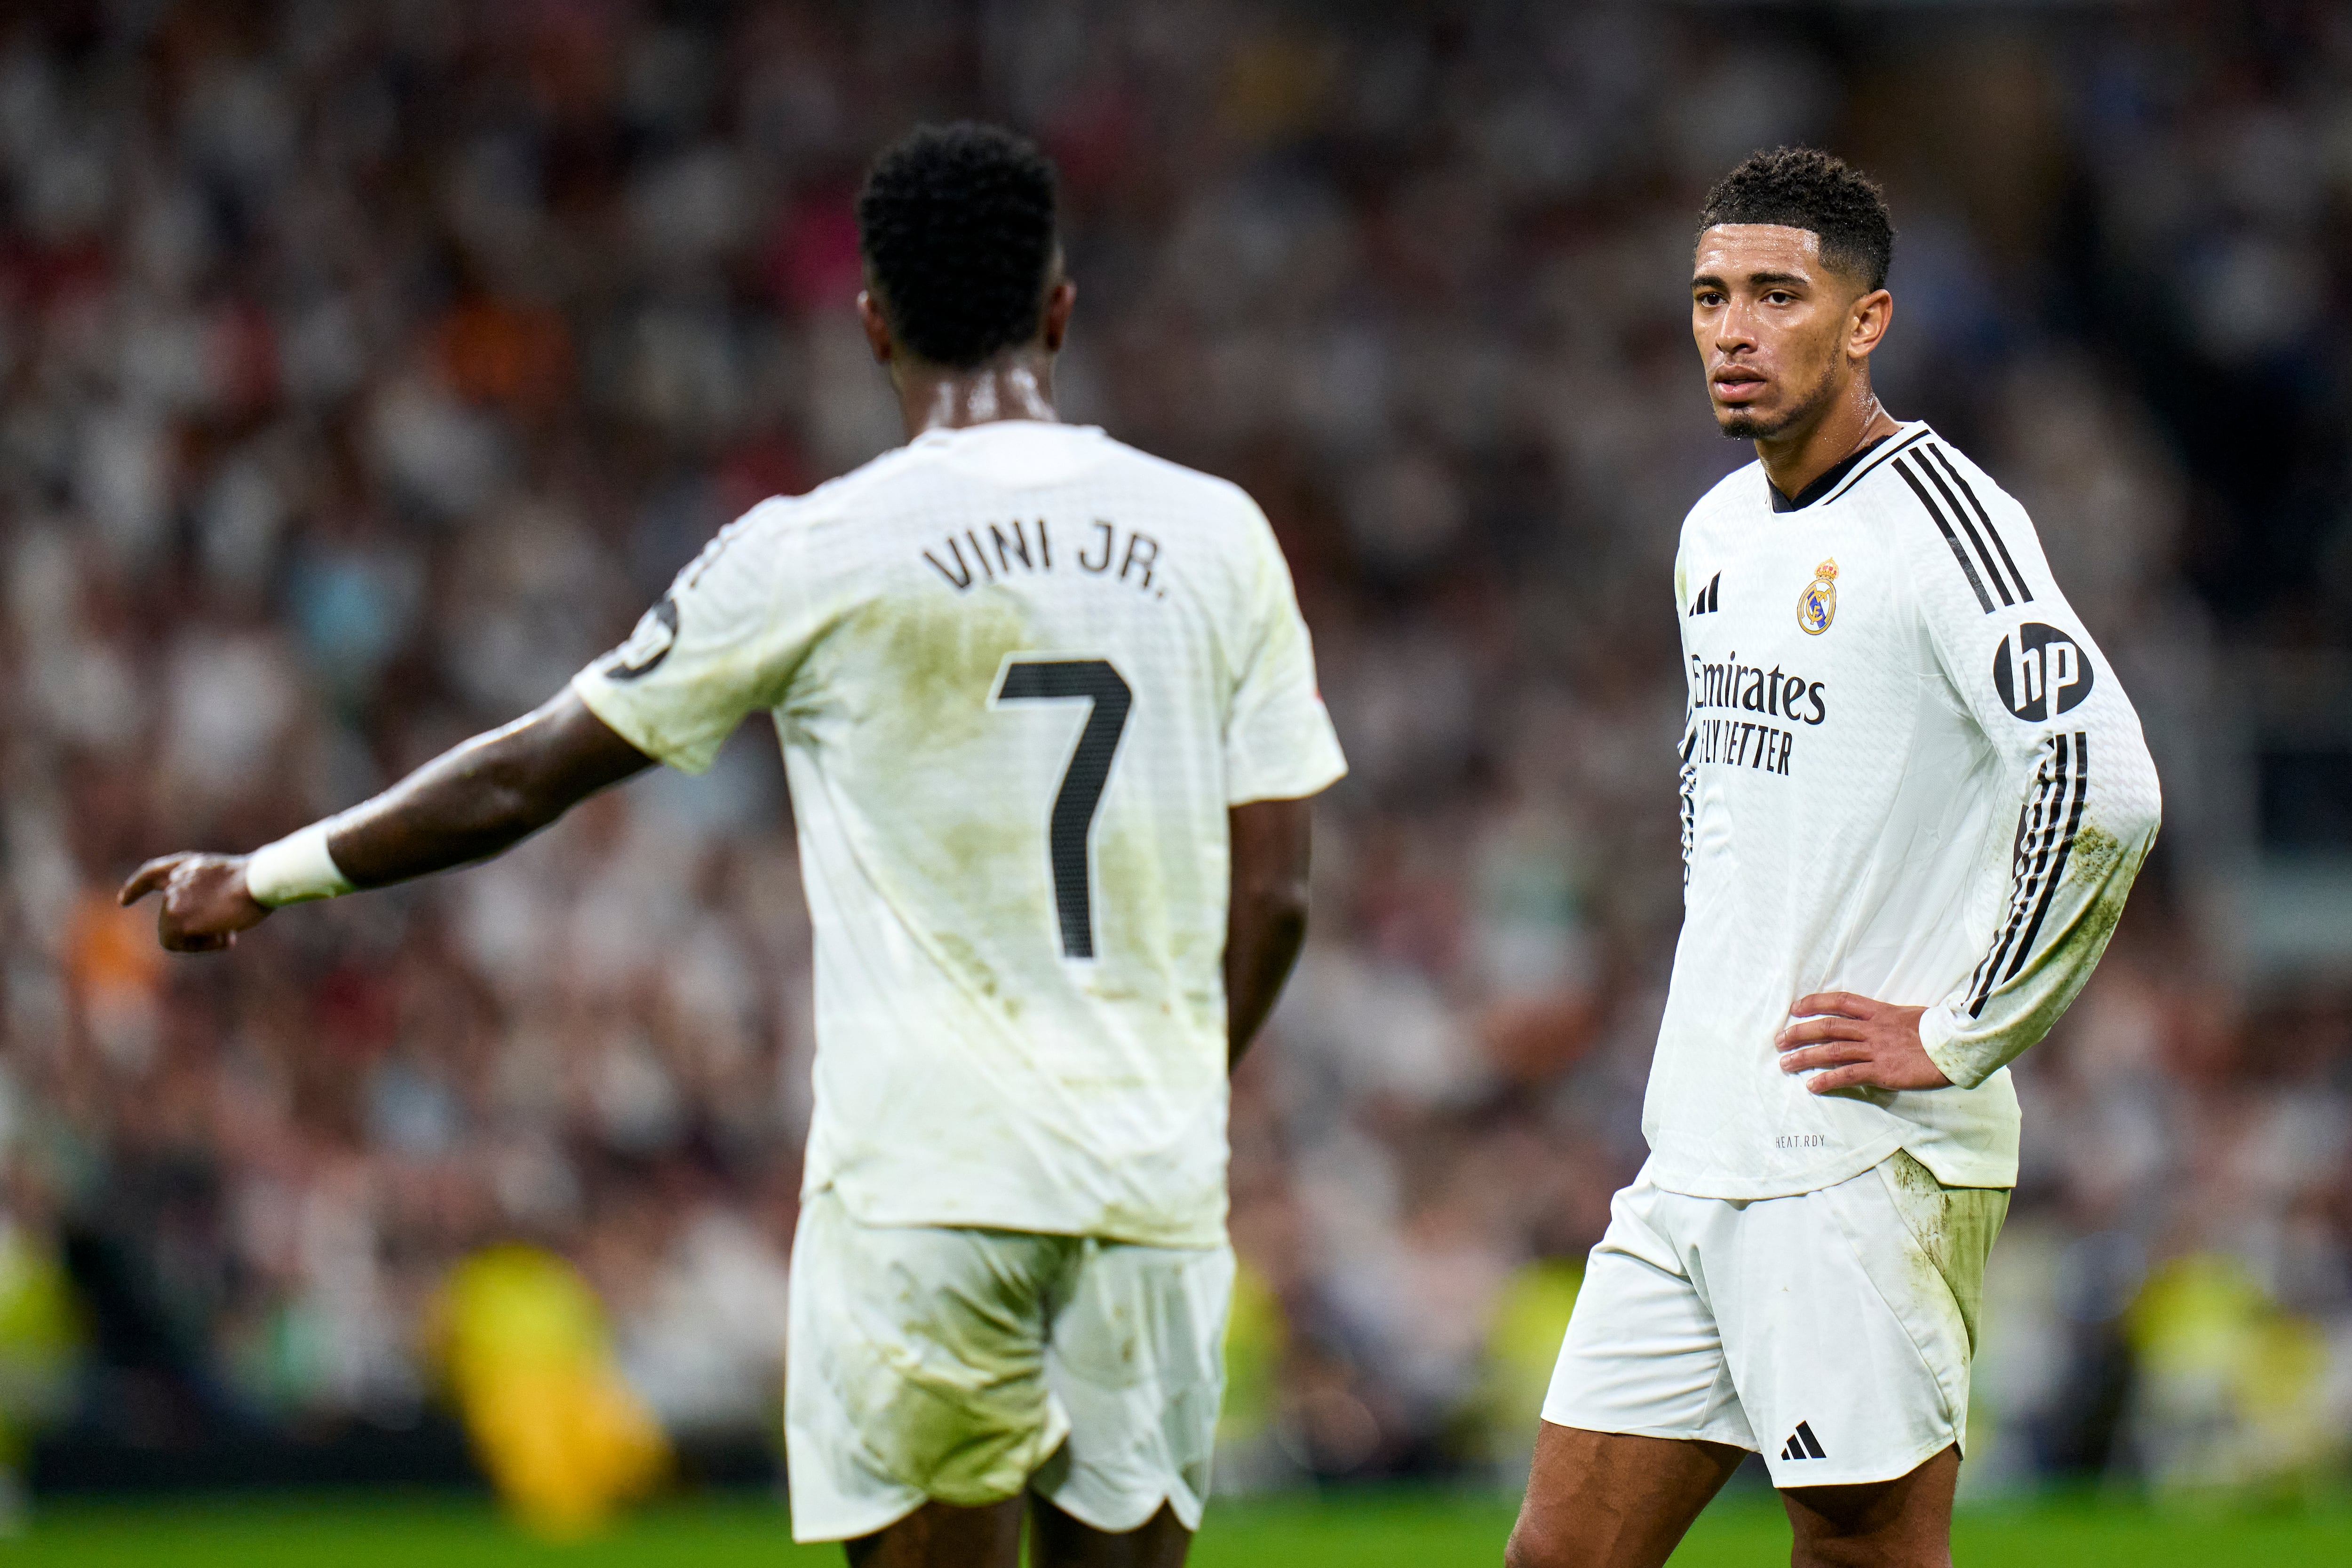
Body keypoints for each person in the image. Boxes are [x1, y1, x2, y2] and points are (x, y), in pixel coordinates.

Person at [122, 121, 1346, 1568]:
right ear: (1062, 308)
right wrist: (1153, 1097)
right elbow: (1276, 904)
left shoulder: (812, 551)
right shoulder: (1219, 539)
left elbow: (527, 778)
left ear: (870, 322)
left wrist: (265, 874)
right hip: (1145, 1172)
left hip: (928, 1184)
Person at [1507, 148, 2161, 1568]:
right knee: (1557, 1558)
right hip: (1701, 1148)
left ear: (1865, 321)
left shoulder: (1948, 525)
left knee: (1859, 1552)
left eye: (1777, 296)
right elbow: (1723, 807)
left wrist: (1967, 1027)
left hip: (1861, 1159)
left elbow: (2102, 780)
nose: (1733, 331)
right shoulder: (1716, 532)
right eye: (1709, 296)